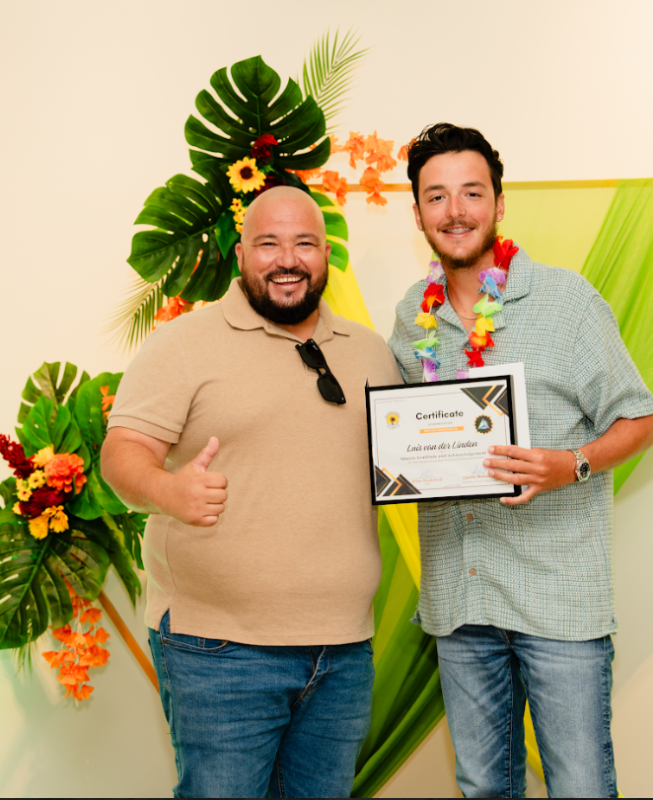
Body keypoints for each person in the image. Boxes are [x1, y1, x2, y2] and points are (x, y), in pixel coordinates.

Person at [388, 123, 653, 799]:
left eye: (471, 193)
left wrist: (567, 464)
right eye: (436, 196)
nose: (455, 211)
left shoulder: (566, 303)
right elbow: (404, 441)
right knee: (483, 786)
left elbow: (642, 418)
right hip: (460, 599)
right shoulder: (408, 318)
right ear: (419, 211)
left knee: (580, 787)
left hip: (558, 601)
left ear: (500, 203)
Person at [102, 186, 401, 799]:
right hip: (219, 655)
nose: (286, 259)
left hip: (344, 653)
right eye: (268, 243)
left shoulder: (372, 353)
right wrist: (169, 490)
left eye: (304, 244)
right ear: (240, 253)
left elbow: (407, 462)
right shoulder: (182, 344)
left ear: (326, 255)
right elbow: (121, 456)